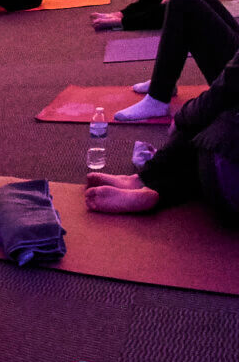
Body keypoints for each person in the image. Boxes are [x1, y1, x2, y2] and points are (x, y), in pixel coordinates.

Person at [86, 37, 239, 223]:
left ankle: (151, 183)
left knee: (204, 114)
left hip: (224, 177)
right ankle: (146, 184)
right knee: (206, 111)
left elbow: (225, 90)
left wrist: (183, 117)